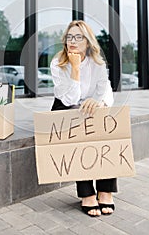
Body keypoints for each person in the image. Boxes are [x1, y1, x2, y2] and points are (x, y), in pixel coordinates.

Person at [50, 20, 117, 217]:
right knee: (78, 136)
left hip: (91, 106)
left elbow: (107, 91)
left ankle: (105, 190)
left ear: (87, 42)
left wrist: (100, 103)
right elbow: (69, 98)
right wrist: (75, 68)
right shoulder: (57, 62)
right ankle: (86, 194)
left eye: (78, 37)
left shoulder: (98, 63)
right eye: (69, 36)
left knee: (105, 128)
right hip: (66, 106)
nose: (73, 40)